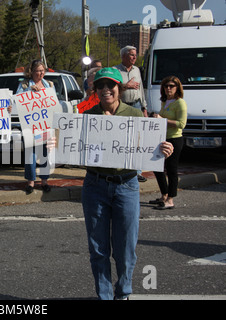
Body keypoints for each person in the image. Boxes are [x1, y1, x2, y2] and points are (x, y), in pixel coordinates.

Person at [81, 67, 174, 300]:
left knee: (125, 249)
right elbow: (75, 149)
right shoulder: (88, 116)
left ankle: (123, 293)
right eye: (100, 86)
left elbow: (148, 146)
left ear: (119, 89)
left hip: (127, 186)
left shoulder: (134, 115)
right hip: (95, 185)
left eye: (110, 85)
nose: (105, 90)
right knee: (98, 249)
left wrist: (164, 149)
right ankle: (104, 295)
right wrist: (57, 141)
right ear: (95, 89)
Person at [16, 59, 52, 194]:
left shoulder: (48, 85)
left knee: (44, 154)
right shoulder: (24, 85)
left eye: (42, 70)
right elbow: (18, 100)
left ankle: (44, 181)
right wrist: (30, 92)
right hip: (29, 126)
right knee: (30, 155)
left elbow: (52, 103)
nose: (40, 73)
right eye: (38, 70)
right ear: (32, 72)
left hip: (44, 125)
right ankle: (30, 182)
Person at [150, 76, 187, 210]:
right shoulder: (165, 101)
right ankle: (164, 194)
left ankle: (170, 199)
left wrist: (162, 119)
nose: (168, 88)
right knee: (157, 167)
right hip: (162, 138)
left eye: (171, 86)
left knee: (171, 169)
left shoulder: (180, 103)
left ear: (177, 88)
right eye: (166, 86)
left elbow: (181, 124)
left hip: (174, 139)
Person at [114, 46, 148, 182]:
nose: (134, 57)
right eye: (131, 55)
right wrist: (126, 86)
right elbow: (113, 87)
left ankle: (137, 171)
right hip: (122, 107)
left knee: (137, 138)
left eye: (135, 55)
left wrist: (144, 107)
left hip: (136, 105)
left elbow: (141, 90)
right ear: (123, 56)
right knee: (121, 138)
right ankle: (121, 167)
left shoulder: (137, 70)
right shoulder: (115, 70)